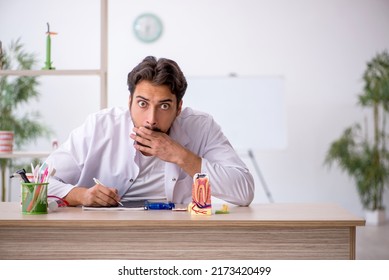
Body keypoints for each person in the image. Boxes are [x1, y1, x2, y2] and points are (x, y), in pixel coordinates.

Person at [45, 56, 255, 207]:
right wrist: (81, 195)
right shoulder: (100, 126)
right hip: (106, 234)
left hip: (174, 235)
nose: (151, 119)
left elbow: (244, 192)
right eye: (143, 103)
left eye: (164, 106)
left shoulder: (201, 126)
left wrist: (181, 156)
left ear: (178, 107)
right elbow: (38, 184)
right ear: (129, 101)